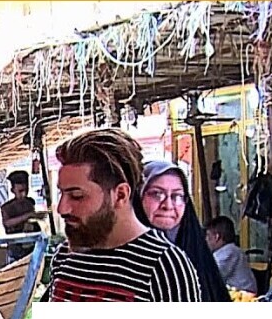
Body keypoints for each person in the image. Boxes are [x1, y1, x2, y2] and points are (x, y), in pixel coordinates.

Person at [44, 128, 201, 302]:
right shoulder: (64, 256)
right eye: (61, 194)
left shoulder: (165, 266)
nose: (62, 208)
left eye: (77, 196)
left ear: (120, 195)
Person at [135, 160, 230, 302]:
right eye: (157, 194)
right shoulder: (126, 256)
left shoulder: (197, 252)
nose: (168, 205)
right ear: (138, 197)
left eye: (177, 196)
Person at [206, 215, 258, 294]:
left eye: (208, 235)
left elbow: (211, 277)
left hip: (242, 296)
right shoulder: (226, 251)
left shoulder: (229, 251)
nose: (206, 239)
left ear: (217, 237)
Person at [1, 170, 38, 262]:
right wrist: (27, 216)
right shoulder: (7, 208)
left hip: (31, 249)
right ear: (12, 190)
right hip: (15, 252)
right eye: (20, 191)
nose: (24, 194)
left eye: (26, 190)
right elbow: (7, 223)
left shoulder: (30, 203)